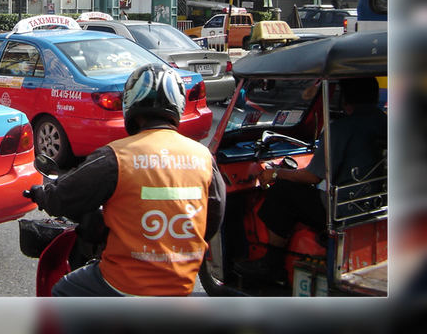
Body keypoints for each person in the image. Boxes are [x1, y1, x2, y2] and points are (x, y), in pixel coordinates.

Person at [28, 63, 226, 296]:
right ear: (178, 105)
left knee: (62, 290)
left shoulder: (117, 156)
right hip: (182, 284)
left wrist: (43, 195)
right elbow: (213, 217)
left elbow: (65, 196)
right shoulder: (202, 156)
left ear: (131, 104)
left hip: (125, 284)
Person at [234, 76, 387, 283]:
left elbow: (312, 176)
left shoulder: (341, 129)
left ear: (344, 98)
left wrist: (276, 174)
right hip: (379, 203)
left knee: (282, 191)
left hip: (345, 211)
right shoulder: (384, 121)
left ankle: (272, 264)